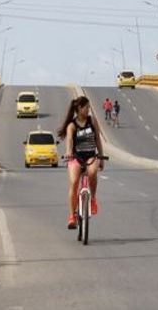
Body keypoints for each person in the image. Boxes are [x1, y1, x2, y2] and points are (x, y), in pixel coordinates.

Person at [57, 96, 105, 229]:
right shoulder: (72, 125)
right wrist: (68, 152)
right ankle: (72, 216)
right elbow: (70, 141)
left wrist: (100, 157)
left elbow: (98, 140)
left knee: (92, 171)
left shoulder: (92, 121)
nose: (89, 110)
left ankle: (93, 199)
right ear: (79, 108)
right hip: (76, 157)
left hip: (90, 156)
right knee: (73, 182)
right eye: (87, 107)